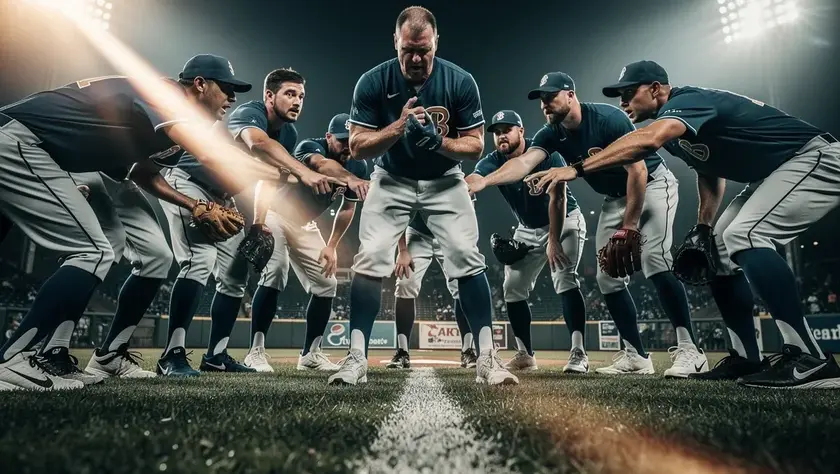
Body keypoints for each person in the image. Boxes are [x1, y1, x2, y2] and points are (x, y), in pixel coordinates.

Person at [528, 60, 840, 388]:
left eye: (629, 93)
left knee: (745, 234)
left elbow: (648, 142)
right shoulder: (677, 131)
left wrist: (576, 169)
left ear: (656, 89)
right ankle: (747, 357)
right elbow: (709, 170)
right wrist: (704, 225)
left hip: (812, 156)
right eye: (619, 96)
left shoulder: (684, 102)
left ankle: (811, 359)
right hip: (773, 174)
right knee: (718, 248)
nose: (622, 102)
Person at [0, 54, 287, 391]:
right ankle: (15, 359)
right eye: (226, 89)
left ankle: (80, 355)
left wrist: (195, 205)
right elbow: (209, 154)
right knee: (93, 251)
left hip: (66, 158)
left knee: (152, 256)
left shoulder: (174, 124)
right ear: (200, 84)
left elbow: (142, 172)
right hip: (26, 143)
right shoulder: (165, 95)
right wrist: (285, 172)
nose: (232, 98)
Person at [469, 72, 709, 378]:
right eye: (542, 99)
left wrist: (630, 226)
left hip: (652, 184)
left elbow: (637, 171)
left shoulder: (609, 118)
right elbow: (523, 163)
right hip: (614, 197)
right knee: (607, 277)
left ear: (570, 94)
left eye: (551, 96)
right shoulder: (551, 134)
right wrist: (485, 180)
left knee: (654, 260)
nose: (545, 104)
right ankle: (637, 356)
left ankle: (691, 349)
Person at [328, 6, 517, 385]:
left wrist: (440, 141)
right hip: (392, 176)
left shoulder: (460, 81)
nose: (416, 58)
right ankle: (356, 359)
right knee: (370, 256)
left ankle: (487, 359)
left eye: (424, 50)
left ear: (436, 43)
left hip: (445, 179)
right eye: (408, 50)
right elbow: (360, 147)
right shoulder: (372, 81)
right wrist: (397, 128)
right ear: (395, 43)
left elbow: (476, 146)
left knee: (466, 255)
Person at [157, 67, 342, 377]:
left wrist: (257, 223)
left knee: (235, 274)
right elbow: (257, 144)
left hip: (222, 196)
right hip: (188, 179)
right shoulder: (249, 111)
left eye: (301, 96)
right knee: (198, 261)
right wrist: (302, 171)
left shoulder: (289, 134)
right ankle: (171, 354)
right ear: (269, 96)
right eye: (289, 94)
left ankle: (216, 355)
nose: (297, 101)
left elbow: (266, 183)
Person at [466, 110, 589, 373]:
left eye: (507, 130)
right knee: (512, 287)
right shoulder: (494, 160)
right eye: (497, 132)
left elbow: (558, 199)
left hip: (564, 220)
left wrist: (553, 240)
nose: (501, 136)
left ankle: (578, 352)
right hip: (527, 228)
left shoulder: (544, 152)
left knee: (564, 279)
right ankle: (525, 354)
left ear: (521, 131)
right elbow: (477, 176)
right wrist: (469, 185)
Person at [243, 113, 367, 372]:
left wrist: (331, 245)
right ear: (329, 136)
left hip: (305, 225)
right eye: (342, 141)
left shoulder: (358, 164)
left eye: (351, 140)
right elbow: (320, 165)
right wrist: (348, 178)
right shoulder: (310, 146)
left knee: (327, 283)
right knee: (275, 272)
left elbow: (347, 209)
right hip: (275, 215)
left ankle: (310, 354)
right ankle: (255, 351)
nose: (347, 146)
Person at [387, 214, 476, 369]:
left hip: (450, 233)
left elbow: (469, 209)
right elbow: (400, 211)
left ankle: (467, 350)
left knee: (463, 285)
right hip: (417, 233)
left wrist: (466, 240)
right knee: (405, 283)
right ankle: (402, 352)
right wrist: (402, 249)